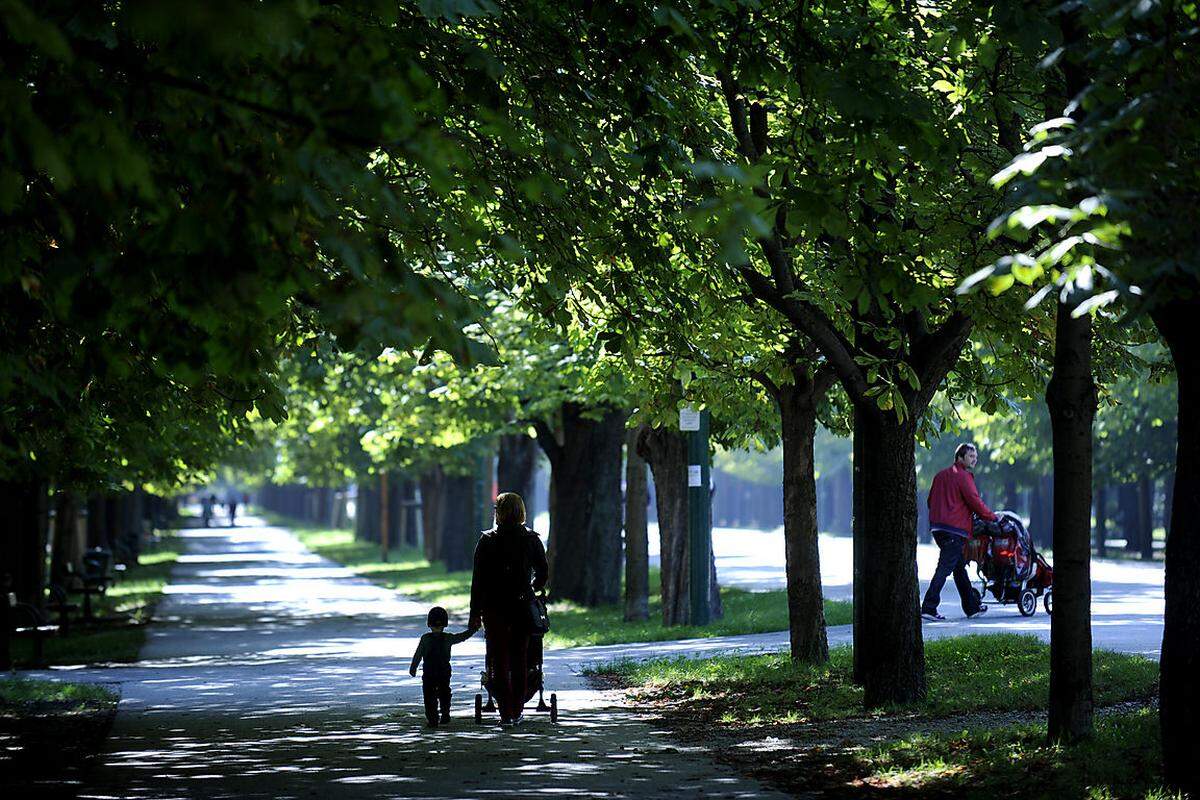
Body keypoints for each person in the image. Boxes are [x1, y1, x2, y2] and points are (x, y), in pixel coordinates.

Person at [468, 492, 548, 727]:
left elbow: (478, 581)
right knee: (520, 657)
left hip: (494, 608)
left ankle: (505, 712)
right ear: (521, 511)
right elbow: (543, 572)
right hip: (522, 605)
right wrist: (535, 587)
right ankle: (517, 709)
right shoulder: (531, 539)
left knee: (498, 658)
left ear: (498, 513)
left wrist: (475, 614)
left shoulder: (487, 540)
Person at [921, 443, 996, 622]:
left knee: (958, 568)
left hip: (938, 528)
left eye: (975, 457)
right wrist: (992, 517)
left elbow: (930, 500)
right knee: (945, 567)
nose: (974, 459)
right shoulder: (963, 476)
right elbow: (974, 501)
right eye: (971, 456)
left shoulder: (940, 475)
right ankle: (929, 607)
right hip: (954, 530)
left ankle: (971, 607)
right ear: (960, 457)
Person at [409, 606, 476, 727]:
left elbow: (418, 654)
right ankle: (445, 713)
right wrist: (472, 630)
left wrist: (413, 668)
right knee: (444, 692)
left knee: (429, 696)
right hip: (444, 671)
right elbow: (461, 637)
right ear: (445, 624)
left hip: (429, 673)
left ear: (429, 624)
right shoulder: (448, 637)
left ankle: (432, 719)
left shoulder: (425, 639)